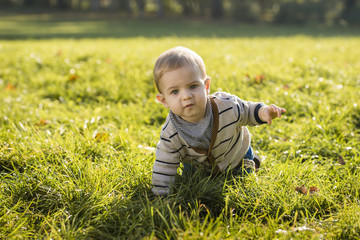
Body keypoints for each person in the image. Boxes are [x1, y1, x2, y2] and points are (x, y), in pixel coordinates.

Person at [151, 46, 286, 196]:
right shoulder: (171, 132)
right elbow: (164, 164)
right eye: (175, 91)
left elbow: (247, 110)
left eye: (193, 86)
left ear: (206, 86)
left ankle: (252, 162)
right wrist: (161, 195)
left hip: (235, 156)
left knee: (242, 185)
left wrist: (264, 112)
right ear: (163, 100)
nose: (186, 96)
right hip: (198, 167)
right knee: (193, 182)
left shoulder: (226, 105)